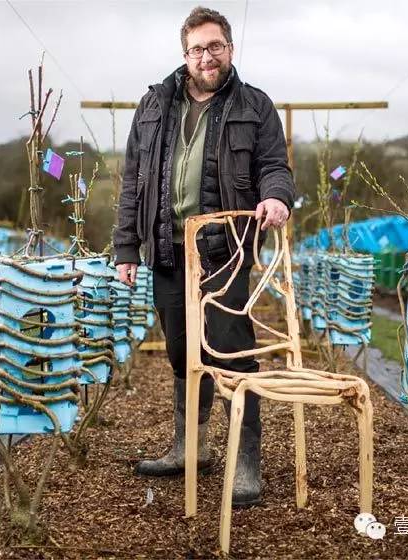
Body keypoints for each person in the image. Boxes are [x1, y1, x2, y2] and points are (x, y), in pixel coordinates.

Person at [113, 6, 295, 507]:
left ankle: (246, 461)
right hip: (168, 251)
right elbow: (133, 182)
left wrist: (276, 196)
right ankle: (189, 449)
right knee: (180, 353)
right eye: (197, 49)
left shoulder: (254, 106)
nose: (206, 56)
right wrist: (127, 247)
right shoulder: (153, 106)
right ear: (185, 54)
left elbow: (273, 165)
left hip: (226, 251)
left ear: (230, 49)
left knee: (230, 352)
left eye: (215, 46)